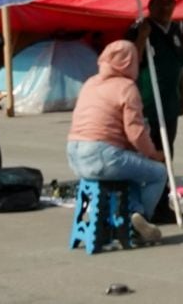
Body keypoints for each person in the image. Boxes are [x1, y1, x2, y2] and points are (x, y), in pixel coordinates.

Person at [67, 40, 168, 245]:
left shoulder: (90, 82)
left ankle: (130, 214)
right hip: (101, 156)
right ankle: (137, 221)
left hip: (74, 155)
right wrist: (154, 154)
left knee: (131, 170)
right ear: (128, 62)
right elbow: (135, 133)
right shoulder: (126, 87)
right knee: (158, 173)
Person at [130, 0, 183, 155]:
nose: (165, 7)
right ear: (150, 5)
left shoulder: (176, 29)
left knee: (167, 148)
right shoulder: (139, 28)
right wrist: (142, 37)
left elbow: (180, 65)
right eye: (160, 1)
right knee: (147, 150)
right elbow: (132, 61)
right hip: (148, 103)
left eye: (169, 2)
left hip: (170, 103)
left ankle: (166, 173)